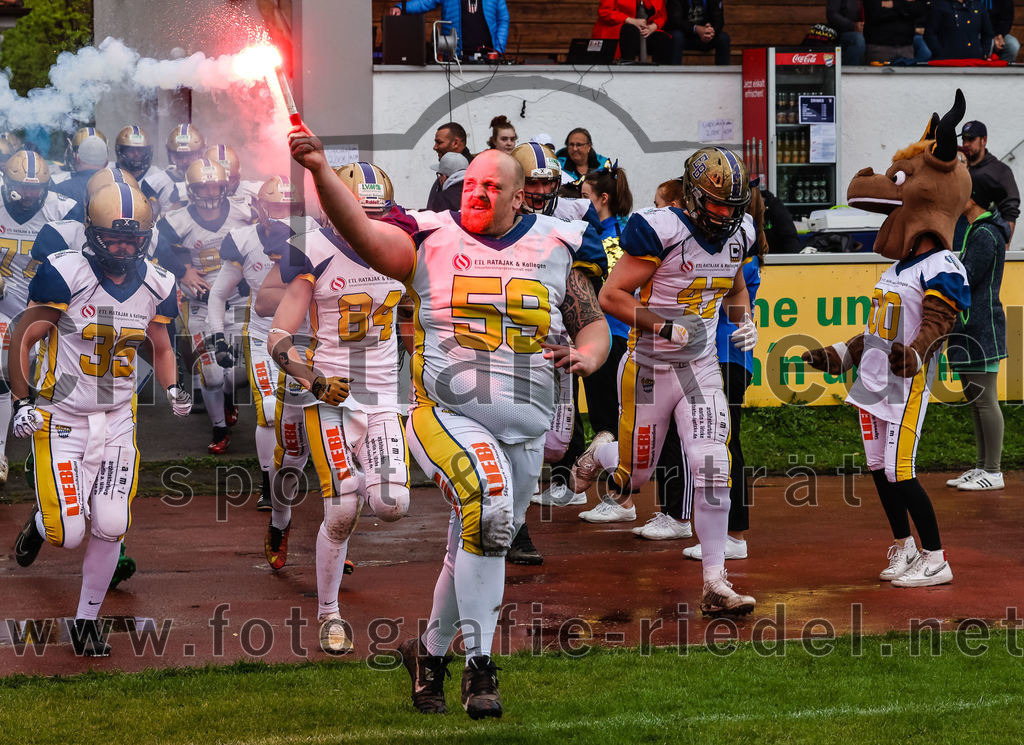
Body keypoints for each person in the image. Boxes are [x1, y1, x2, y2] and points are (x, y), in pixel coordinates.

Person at [289, 125, 609, 719]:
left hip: (527, 421)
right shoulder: (431, 235)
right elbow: (364, 234)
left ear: (521, 196)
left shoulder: (555, 243)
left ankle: (429, 655)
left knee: (479, 539)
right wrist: (321, 172)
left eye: (492, 186)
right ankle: (481, 668)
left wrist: (589, 353)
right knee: (490, 509)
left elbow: (590, 319)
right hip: (445, 411)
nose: (477, 193)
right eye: (471, 184)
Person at [569, 147, 759, 615]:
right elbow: (611, 295)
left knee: (713, 466)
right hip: (649, 367)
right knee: (633, 477)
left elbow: (735, 287)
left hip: (701, 367)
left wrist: (744, 319)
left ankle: (715, 582)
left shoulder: (741, 235)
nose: (725, 215)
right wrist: (661, 324)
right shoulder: (661, 229)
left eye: (732, 207)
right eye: (716, 205)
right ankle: (602, 452)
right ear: (693, 196)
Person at [10, 182, 190, 656]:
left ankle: (86, 621)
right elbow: (23, 337)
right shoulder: (66, 272)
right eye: (114, 238)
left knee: (111, 524)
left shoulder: (158, 282)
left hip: (116, 419)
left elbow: (162, 346)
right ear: (92, 233)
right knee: (65, 535)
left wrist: (173, 386)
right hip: (61, 416)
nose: (123, 249)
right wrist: (23, 402)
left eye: (132, 240)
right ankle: (40, 521)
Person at [806, 92, 971, 587]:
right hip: (873, 382)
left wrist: (917, 353)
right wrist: (840, 354)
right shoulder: (898, 267)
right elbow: (877, 330)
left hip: (906, 385)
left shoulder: (942, 263)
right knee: (878, 468)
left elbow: (940, 321)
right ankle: (904, 546)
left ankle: (936, 557)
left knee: (901, 470)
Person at [268, 162, 411, 656]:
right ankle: (328, 614)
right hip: (330, 394)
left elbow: (415, 314)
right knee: (344, 506)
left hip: (383, 395)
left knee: (392, 504)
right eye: (358, 213)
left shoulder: (402, 245)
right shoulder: (314, 249)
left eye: (377, 215)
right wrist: (313, 379)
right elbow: (279, 336)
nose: (367, 225)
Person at [207, 175, 317, 511]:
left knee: (306, 410)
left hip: (308, 336)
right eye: (276, 206)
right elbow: (219, 293)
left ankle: (296, 469)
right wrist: (218, 338)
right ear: (259, 206)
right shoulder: (243, 238)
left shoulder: (313, 232)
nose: (283, 213)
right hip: (263, 334)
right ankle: (269, 482)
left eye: (289, 206)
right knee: (269, 410)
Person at [683, 182, 766, 560]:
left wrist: (746, 320)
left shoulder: (737, 254)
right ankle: (719, 530)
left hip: (727, 356)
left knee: (726, 444)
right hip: (717, 356)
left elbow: (731, 300)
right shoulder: (731, 248)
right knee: (714, 442)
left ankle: (734, 534)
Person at [153, 158, 254, 453]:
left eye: (215, 187)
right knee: (210, 374)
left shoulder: (244, 211)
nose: (210, 193)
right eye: (203, 187)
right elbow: (153, 242)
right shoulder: (177, 220)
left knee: (237, 374)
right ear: (191, 189)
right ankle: (219, 428)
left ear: (225, 186)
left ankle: (228, 400)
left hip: (239, 300)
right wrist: (182, 270)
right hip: (200, 303)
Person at [0, 150, 82, 487]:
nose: (29, 194)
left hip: (48, 305)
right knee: (3, 367)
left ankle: (47, 451)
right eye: (23, 186)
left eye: (36, 188)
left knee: (54, 380)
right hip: (4, 303)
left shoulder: (63, 209)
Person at [945, 188, 1008, 491]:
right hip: (972, 328)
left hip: (982, 328)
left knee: (985, 401)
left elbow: (967, 276)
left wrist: (944, 266)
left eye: (964, 194)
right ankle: (983, 467)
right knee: (976, 403)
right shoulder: (977, 230)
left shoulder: (984, 234)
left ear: (973, 200)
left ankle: (993, 472)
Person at [959, 120, 1019, 241]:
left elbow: (1010, 211)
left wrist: (1004, 245)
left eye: (971, 139)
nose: (966, 144)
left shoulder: (1000, 170)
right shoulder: (959, 169)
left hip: (987, 237)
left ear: (984, 140)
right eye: (964, 139)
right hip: (958, 239)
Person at [389, 0, 510, 58]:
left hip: (488, 58)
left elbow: (503, 19)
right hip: (455, 58)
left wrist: (498, 49)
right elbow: (425, 2)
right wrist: (402, 8)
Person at [142, 123, 205, 217]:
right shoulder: (153, 184)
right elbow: (147, 220)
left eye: (189, 155)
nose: (184, 161)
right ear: (170, 154)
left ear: (200, 153)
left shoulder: (212, 181)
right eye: (179, 156)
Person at [593, 0, 673, 63]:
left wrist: (653, 26)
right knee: (630, 31)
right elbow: (605, 12)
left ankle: (661, 75)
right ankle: (626, 71)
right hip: (619, 29)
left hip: (645, 30)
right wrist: (631, 20)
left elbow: (662, 15)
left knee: (662, 39)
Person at [666, 0, 732, 65]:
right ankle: (674, 71)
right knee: (676, 36)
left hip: (705, 38)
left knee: (723, 38)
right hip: (685, 37)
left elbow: (719, 21)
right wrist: (696, 28)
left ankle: (722, 71)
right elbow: (675, 21)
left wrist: (710, 31)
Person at [925, 0, 993, 61]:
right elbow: (930, 33)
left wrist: (984, 53)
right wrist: (940, 53)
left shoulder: (978, 6)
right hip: (947, 61)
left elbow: (987, 33)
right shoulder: (940, 5)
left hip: (974, 60)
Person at [863, 0, 928, 63]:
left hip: (906, 47)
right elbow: (875, 12)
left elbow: (919, 8)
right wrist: (905, 7)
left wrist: (893, 4)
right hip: (879, 47)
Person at [426, 122, 473, 208]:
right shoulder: (445, 175)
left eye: (439, 142)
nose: (435, 147)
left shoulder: (476, 174)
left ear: (455, 143)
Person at [828, 0, 866, 65]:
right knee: (858, 39)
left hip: (865, 33)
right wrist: (853, 26)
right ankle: (850, 70)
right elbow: (831, 14)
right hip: (841, 34)